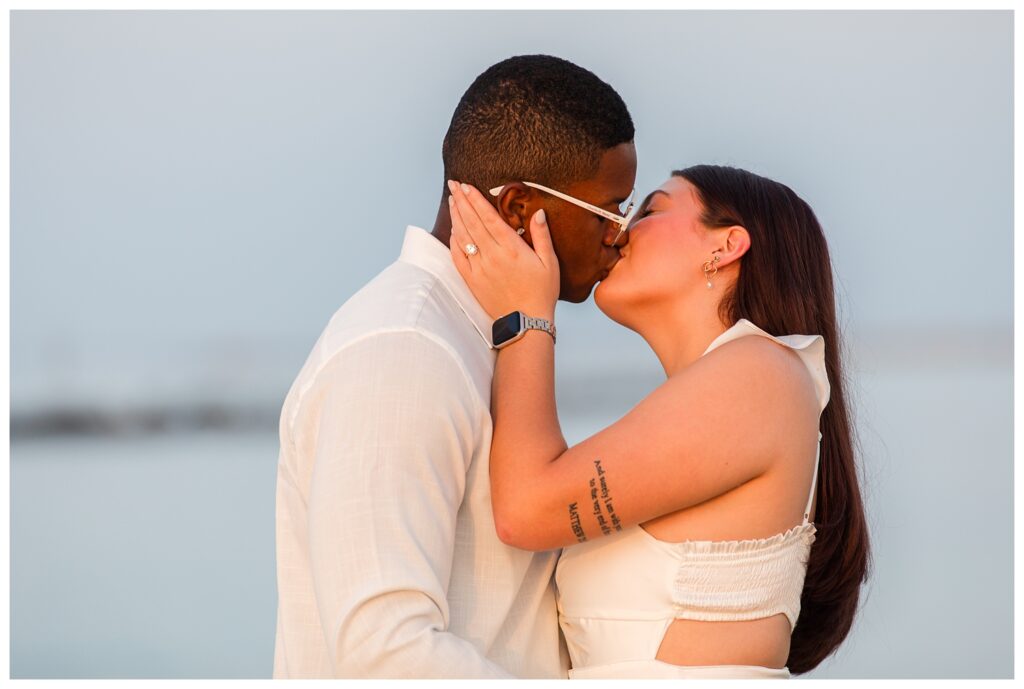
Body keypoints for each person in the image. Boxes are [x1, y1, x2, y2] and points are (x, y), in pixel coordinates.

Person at [272, 54, 637, 678]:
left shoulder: (485, 338)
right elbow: (383, 652)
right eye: (610, 209)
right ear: (522, 209)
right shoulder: (405, 350)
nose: (620, 234)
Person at [445, 164, 870, 678]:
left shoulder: (761, 374)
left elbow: (525, 508)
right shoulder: (741, 385)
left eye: (650, 209)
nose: (618, 228)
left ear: (726, 245)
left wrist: (525, 318)